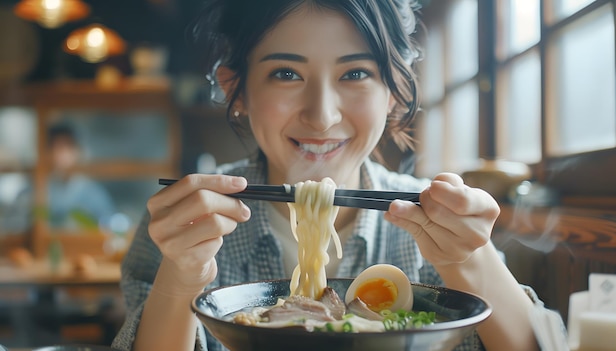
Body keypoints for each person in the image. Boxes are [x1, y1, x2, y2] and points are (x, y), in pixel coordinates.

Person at [112, 1, 553, 350]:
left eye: (355, 73)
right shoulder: (184, 223)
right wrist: (182, 276)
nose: (321, 117)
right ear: (236, 89)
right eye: (286, 73)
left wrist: (469, 260)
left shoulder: (435, 218)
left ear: (395, 93)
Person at [7, 123, 116, 232]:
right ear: (45, 152)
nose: (61, 153)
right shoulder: (31, 192)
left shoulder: (94, 194)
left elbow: (107, 230)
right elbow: (12, 229)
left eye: (68, 146)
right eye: (56, 147)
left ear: (78, 151)